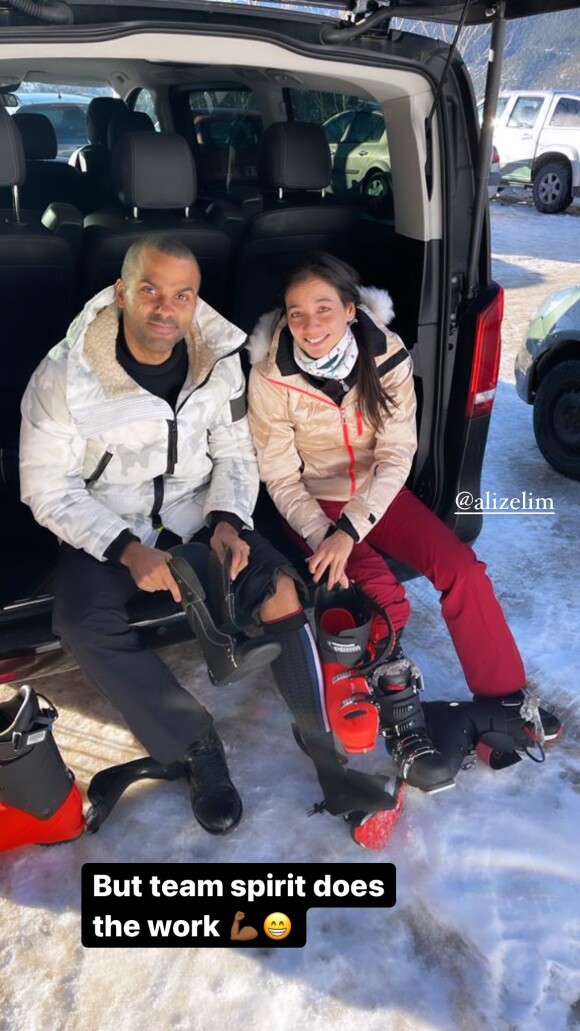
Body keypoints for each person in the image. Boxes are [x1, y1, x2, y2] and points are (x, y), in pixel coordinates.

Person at [19, 236, 391, 839]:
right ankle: (193, 745)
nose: (165, 308)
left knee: (281, 593)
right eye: (150, 290)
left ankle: (325, 756)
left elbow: (235, 453)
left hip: (197, 513)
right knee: (82, 623)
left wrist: (227, 520)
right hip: (108, 520)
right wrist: (124, 548)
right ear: (122, 293)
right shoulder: (66, 375)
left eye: (182, 295)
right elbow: (46, 487)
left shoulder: (220, 361)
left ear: (196, 303)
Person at [247, 252, 561, 793]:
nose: (309, 324)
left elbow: (397, 454)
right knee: (382, 600)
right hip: (312, 503)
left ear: (350, 310)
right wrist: (328, 535)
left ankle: (504, 701)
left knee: (462, 569)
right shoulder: (270, 374)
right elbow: (278, 478)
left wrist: (353, 528)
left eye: (323, 308)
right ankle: (398, 717)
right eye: (296, 313)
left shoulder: (386, 355)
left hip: (377, 494)